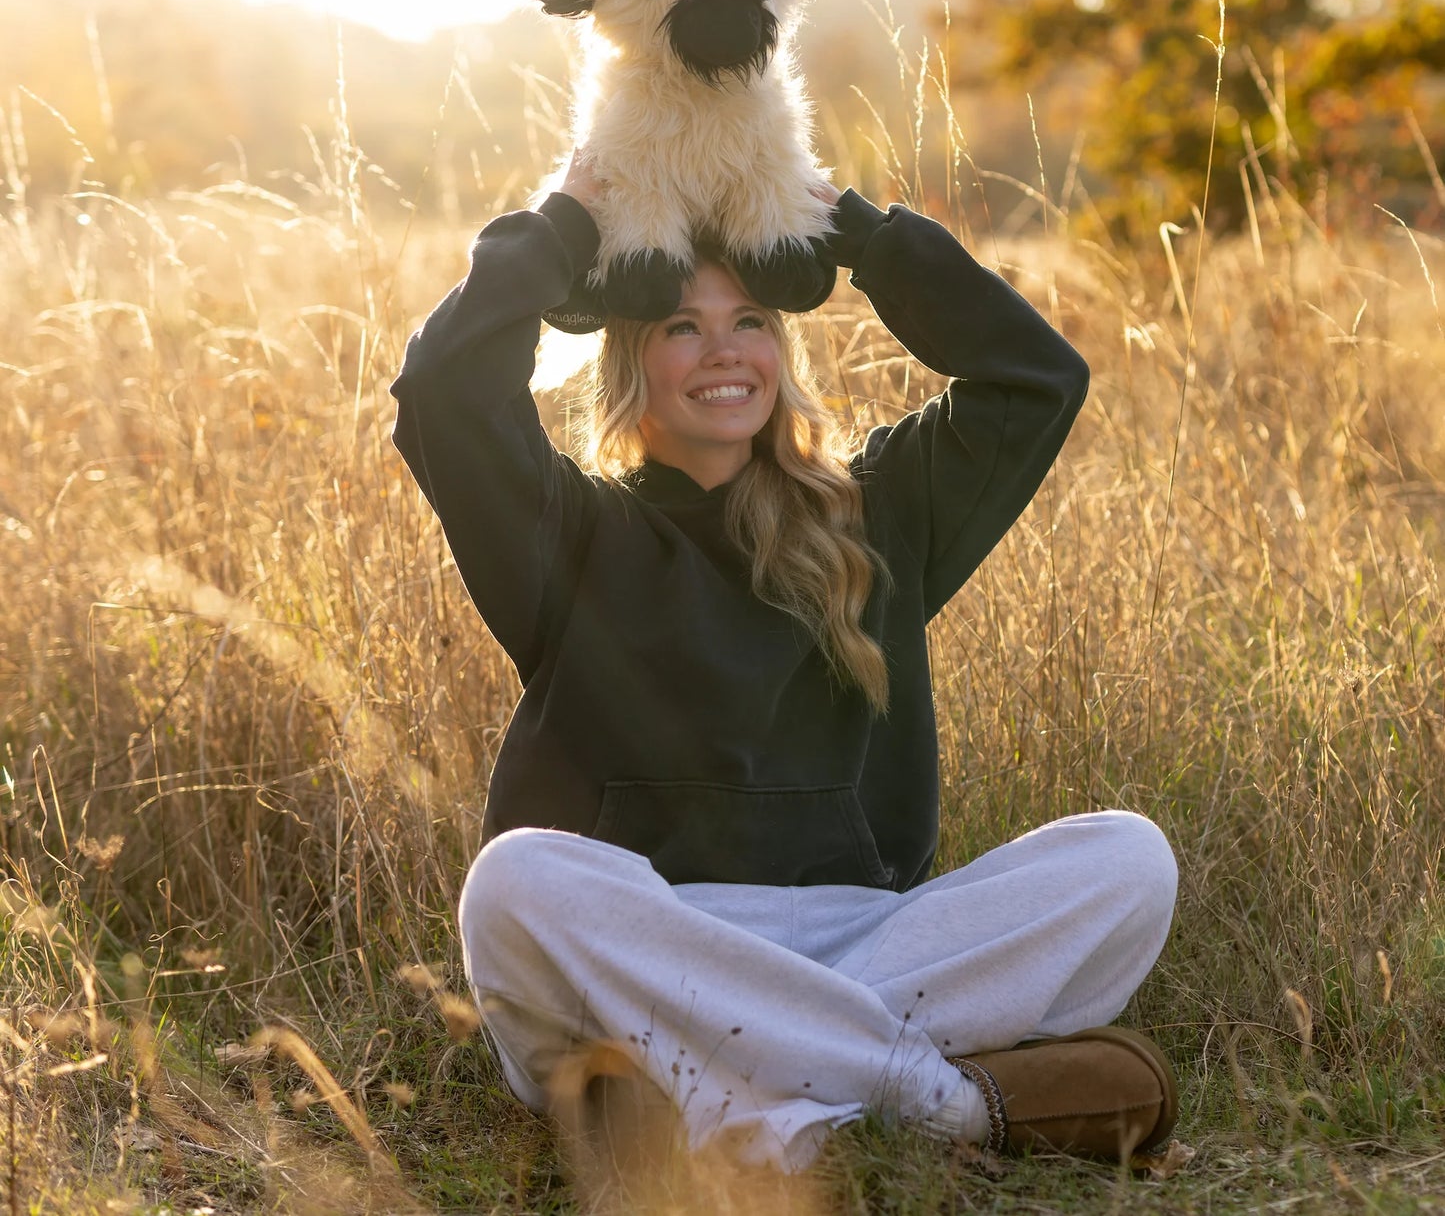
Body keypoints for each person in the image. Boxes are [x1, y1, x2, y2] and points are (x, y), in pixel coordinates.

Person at [389, 153, 1179, 1176]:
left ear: (780, 345)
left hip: (863, 940)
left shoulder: (875, 513)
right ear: (631, 361)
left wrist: (851, 227)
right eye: (682, 325)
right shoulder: (565, 531)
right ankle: (938, 1104)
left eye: (749, 320)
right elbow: (442, 393)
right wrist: (564, 226)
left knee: (1125, 860)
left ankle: (729, 1115)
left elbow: (1036, 381)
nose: (724, 351)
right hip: (649, 946)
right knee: (514, 881)